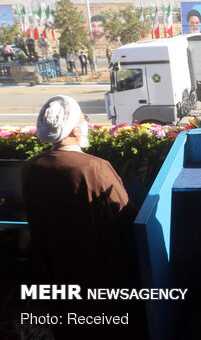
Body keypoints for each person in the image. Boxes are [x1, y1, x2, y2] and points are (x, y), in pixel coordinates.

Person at [22, 95, 146, 340]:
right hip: (99, 276)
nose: (86, 123)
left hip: (55, 271)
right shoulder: (94, 167)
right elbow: (125, 216)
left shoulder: (30, 168)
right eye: (83, 119)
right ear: (75, 129)